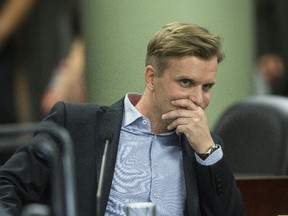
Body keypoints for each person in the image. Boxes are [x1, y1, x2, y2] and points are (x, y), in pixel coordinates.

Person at [0, 22, 245, 216]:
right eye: (185, 82)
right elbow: (7, 184)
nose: (198, 99)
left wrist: (207, 152)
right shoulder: (76, 124)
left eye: (207, 86)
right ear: (151, 78)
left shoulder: (205, 148)